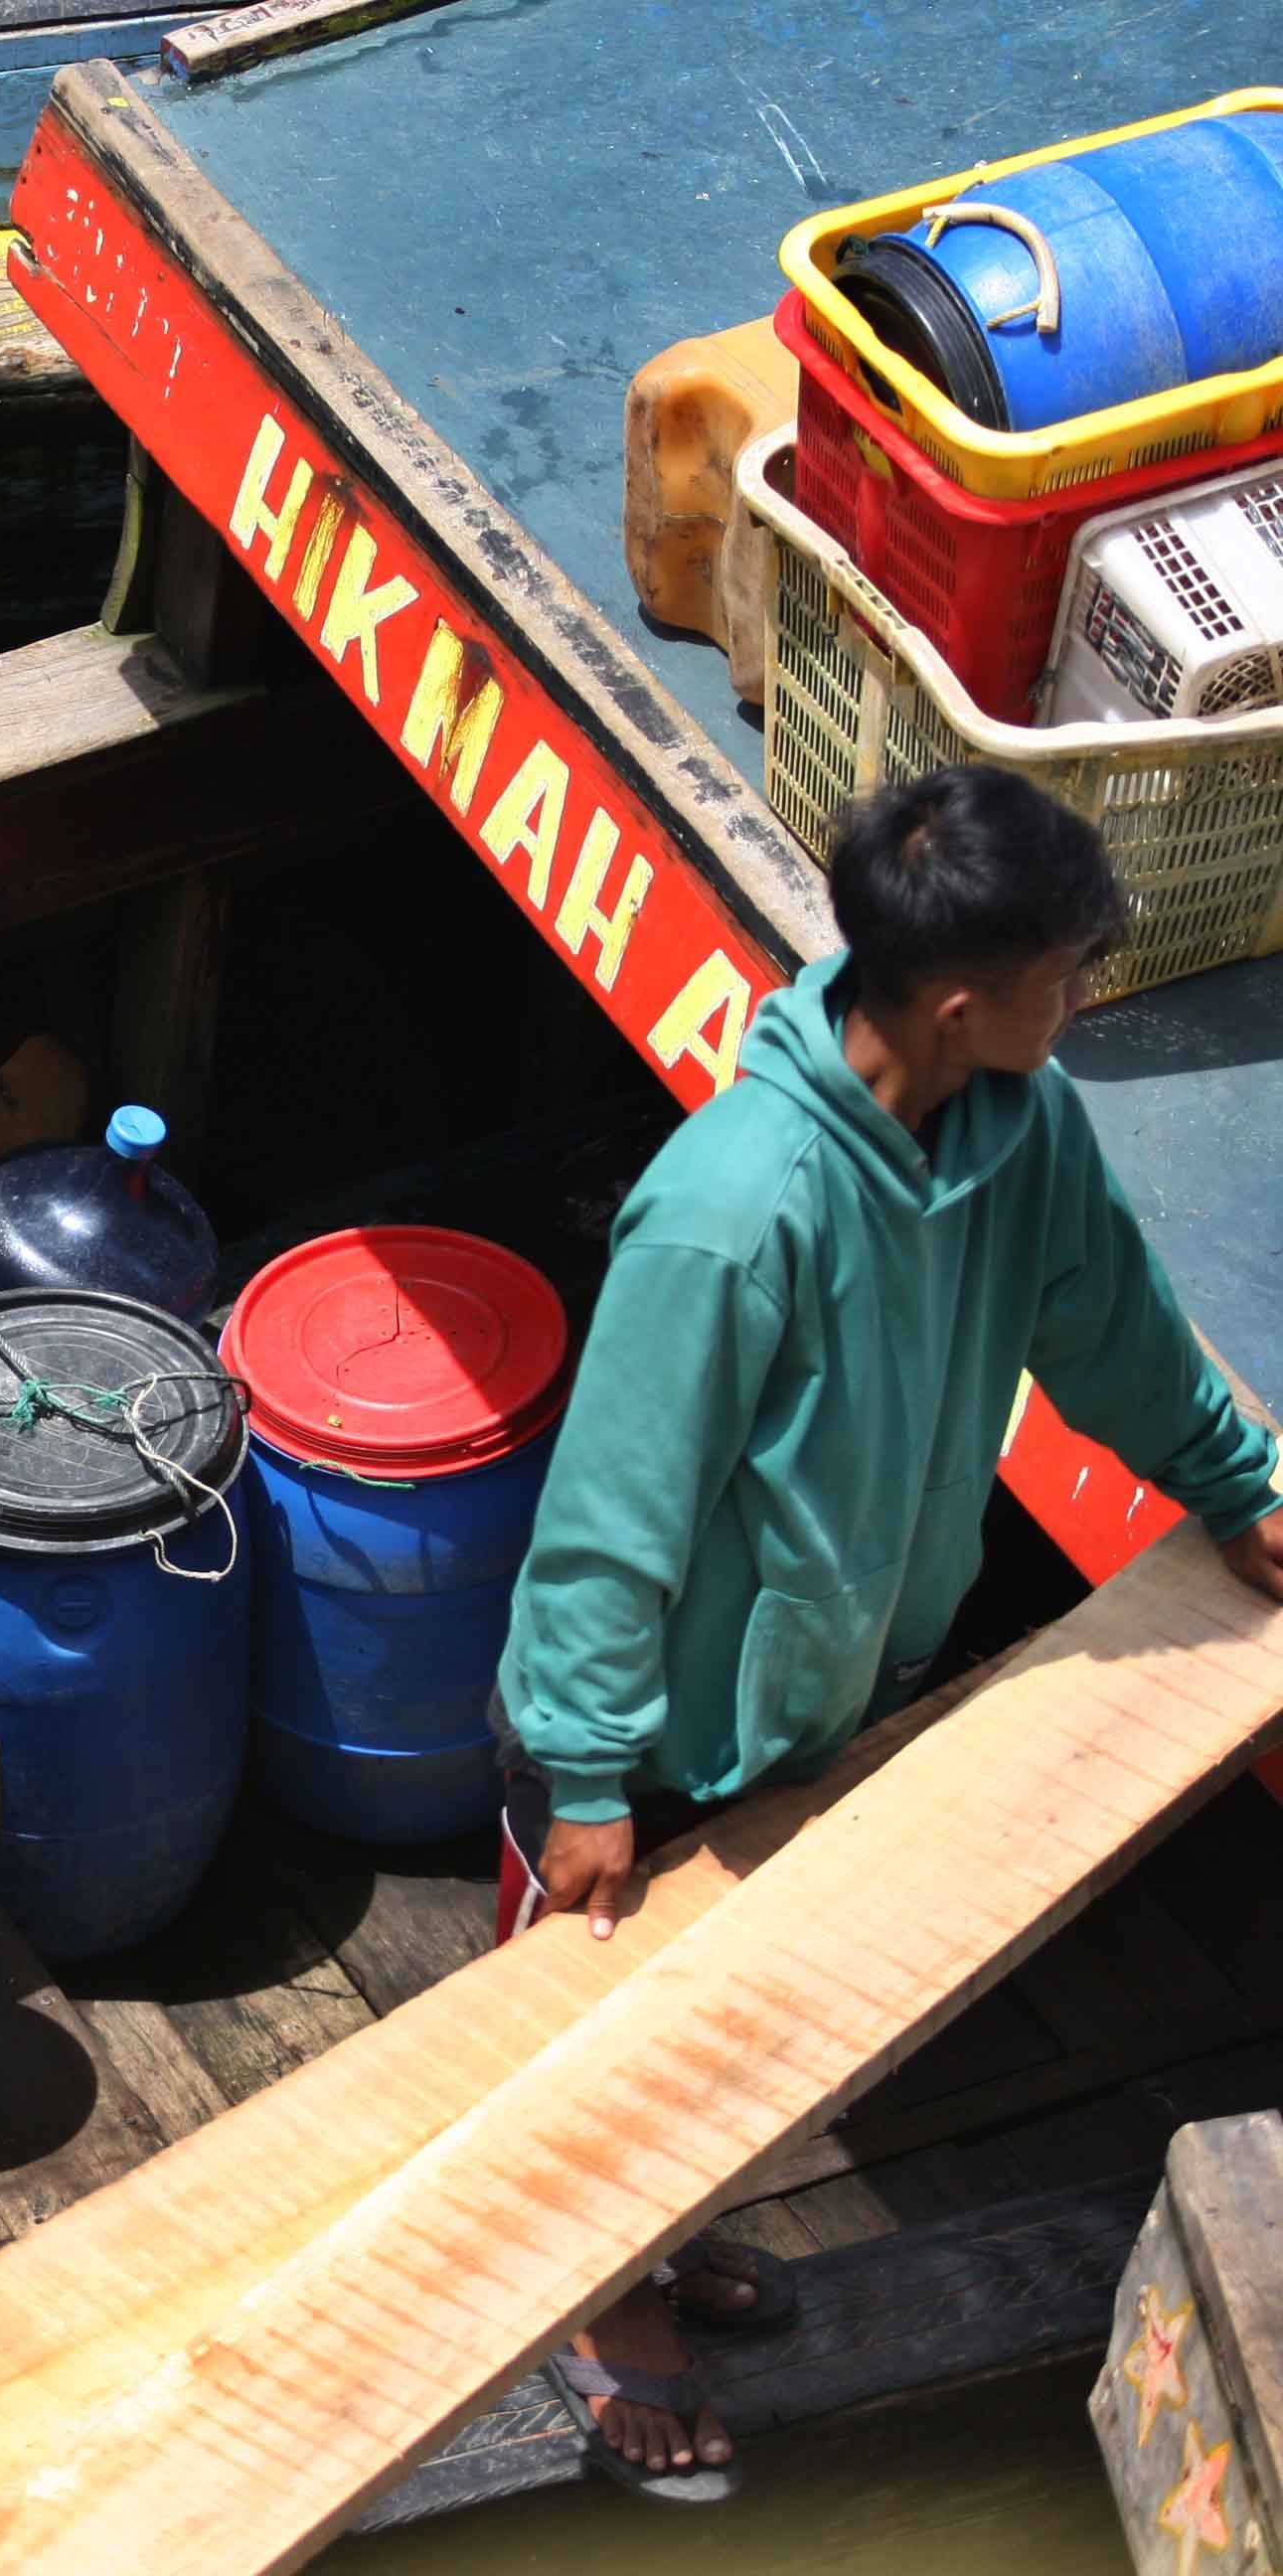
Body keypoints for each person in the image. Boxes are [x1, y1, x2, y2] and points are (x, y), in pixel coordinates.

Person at [491, 763, 1283, 2502]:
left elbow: (1115, 1327)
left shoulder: (1020, 1126)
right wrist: (588, 1775)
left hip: (833, 1683)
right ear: (956, 1005)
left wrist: (1236, 1487)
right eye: (1063, 976)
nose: (1081, 1001)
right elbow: (611, 1518)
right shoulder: (731, 1210)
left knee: (745, 2016)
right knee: (591, 2050)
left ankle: (668, 2228)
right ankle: (599, 2300)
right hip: (656, 1727)